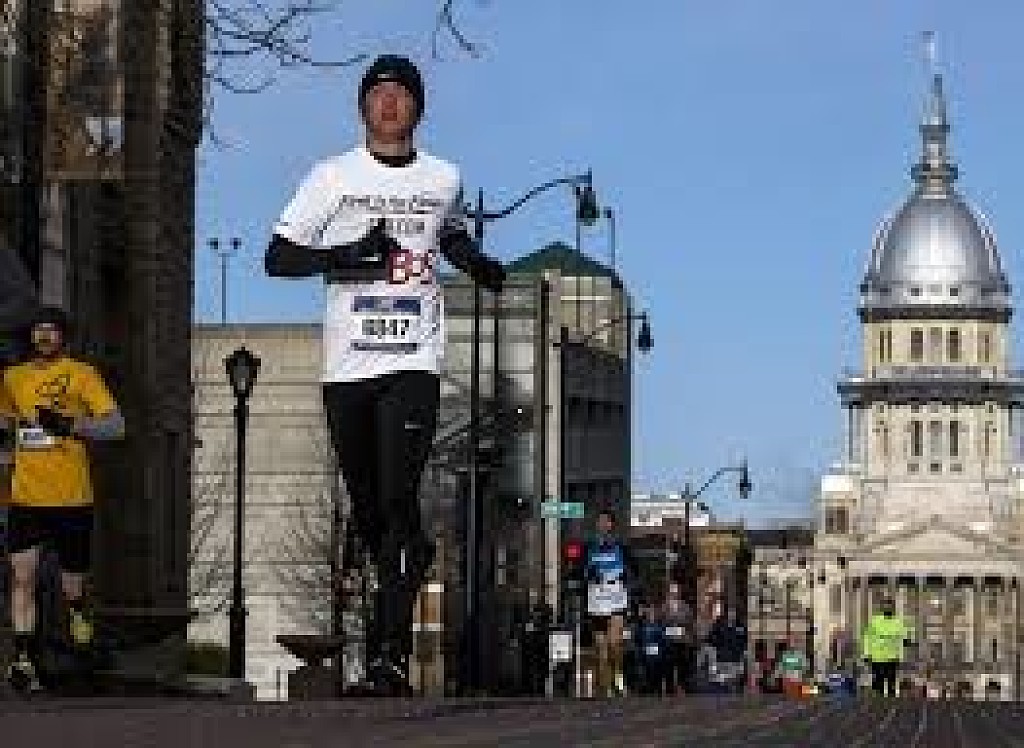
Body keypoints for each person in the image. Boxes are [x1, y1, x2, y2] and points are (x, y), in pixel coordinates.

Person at [265, 54, 505, 694]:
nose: (390, 102)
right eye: (378, 93)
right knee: (370, 510)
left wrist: (477, 264)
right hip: (348, 364)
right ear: (363, 107)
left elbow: (447, 234)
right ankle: (408, 561)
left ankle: (387, 655)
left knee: (399, 499)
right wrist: (348, 251)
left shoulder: (443, 177)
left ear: (418, 108)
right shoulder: (332, 176)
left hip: (413, 360)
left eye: (402, 93)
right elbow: (278, 258)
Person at [0, 307, 125, 693]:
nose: (44, 336)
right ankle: (22, 659)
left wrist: (70, 425)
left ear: (63, 337)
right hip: (25, 496)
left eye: (52, 330)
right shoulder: (12, 378)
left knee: (72, 584)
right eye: (38, 330)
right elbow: (5, 425)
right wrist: (5, 454)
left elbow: (116, 427)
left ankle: (76, 613)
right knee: (21, 578)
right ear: (30, 336)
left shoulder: (82, 374)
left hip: (71, 497)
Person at [582, 509, 637, 697]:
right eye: (600, 521)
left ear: (612, 525)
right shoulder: (589, 547)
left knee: (614, 643)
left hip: (616, 597)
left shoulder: (621, 546)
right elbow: (580, 570)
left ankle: (618, 675)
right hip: (597, 598)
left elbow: (633, 570)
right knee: (601, 647)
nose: (603, 524)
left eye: (606, 521)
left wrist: (626, 578)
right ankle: (605, 686)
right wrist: (589, 575)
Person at [860, 596, 911, 698]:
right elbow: (867, 638)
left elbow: (905, 636)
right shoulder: (874, 621)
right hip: (877, 658)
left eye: (890, 606)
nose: (888, 608)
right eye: (886, 606)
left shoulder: (898, 622)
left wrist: (907, 641)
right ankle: (877, 704)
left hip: (892, 658)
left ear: (893, 608)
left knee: (891, 684)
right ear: (882, 608)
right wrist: (866, 654)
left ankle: (890, 704)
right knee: (878, 684)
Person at [661, 581, 697, 695]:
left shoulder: (685, 607)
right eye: (672, 591)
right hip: (669, 641)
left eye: (676, 591)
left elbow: (690, 622)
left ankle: (683, 688)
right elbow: (662, 623)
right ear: (668, 592)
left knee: (682, 666)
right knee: (668, 666)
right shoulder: (664, 607)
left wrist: (682, 628)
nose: (674, 593)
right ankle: (669, 689)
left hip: (682, 641)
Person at [707, 607, 749, 694]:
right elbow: (711, 641)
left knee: (734, 681)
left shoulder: (741, 627)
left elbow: (745, 643)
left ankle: (734, 693)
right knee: (722, 682)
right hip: (721, 659)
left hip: (736, 659)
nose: (732, 615)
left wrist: (744, 657)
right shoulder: (718, 626)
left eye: (733, 613)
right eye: (730, 613)